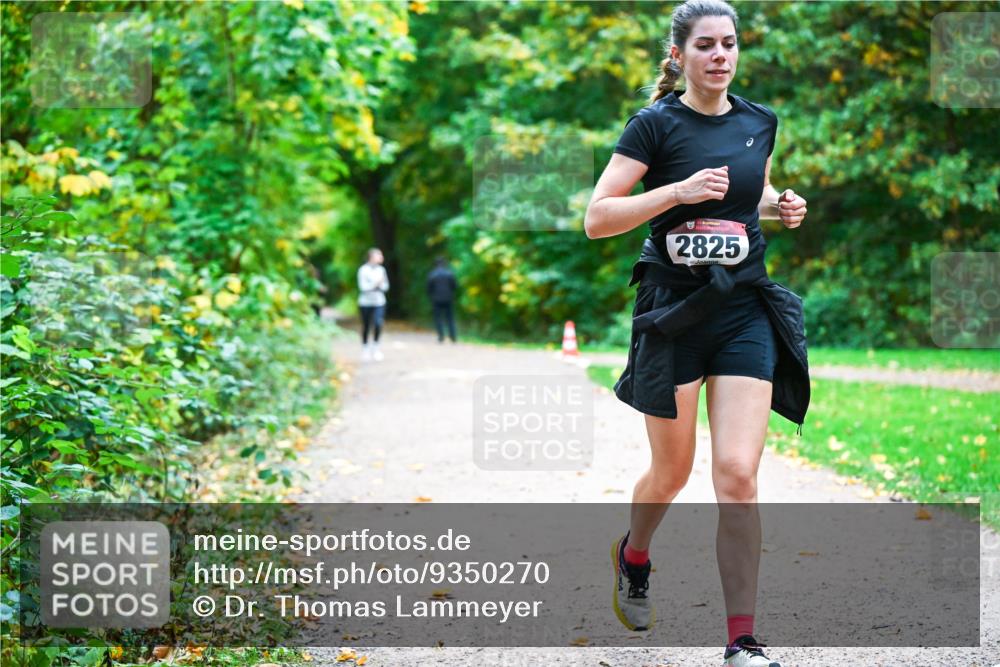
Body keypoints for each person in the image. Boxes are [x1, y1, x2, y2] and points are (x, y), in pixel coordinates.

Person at [584, 1, 809, 665]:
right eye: (706, 45)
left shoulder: (758, 122)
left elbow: (751, 193)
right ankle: (634, 554)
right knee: (672, 471)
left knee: (738, 474)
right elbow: (599, 217)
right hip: (674, 315)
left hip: (742, 309)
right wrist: (675, 193)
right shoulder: (654, 126)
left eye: (730, 44)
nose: (720, 55)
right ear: (678, 56)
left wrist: (781, 205)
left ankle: (742, 637)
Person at [357, 247, 389, 361]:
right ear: (371, 257)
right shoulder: (363, 270)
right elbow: (363, 287)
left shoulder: (381, 270)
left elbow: (385, 286)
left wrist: (380, 285)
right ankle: (365, 348)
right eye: (379, 255)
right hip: (365, 303)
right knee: (366, 325)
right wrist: (376, 284)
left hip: (379, 302)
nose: (381, 257)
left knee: (378, 323)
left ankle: (376, 348)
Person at [426, 256, 458, 343]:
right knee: (450, 318)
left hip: (436, 299)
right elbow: (454, 286)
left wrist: (432, 296)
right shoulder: (449, 273)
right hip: (448, 298)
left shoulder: (432, 274)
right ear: (444, 263)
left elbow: (429, 288)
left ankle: (441, 336)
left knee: (438, 318)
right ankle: (453, 336)